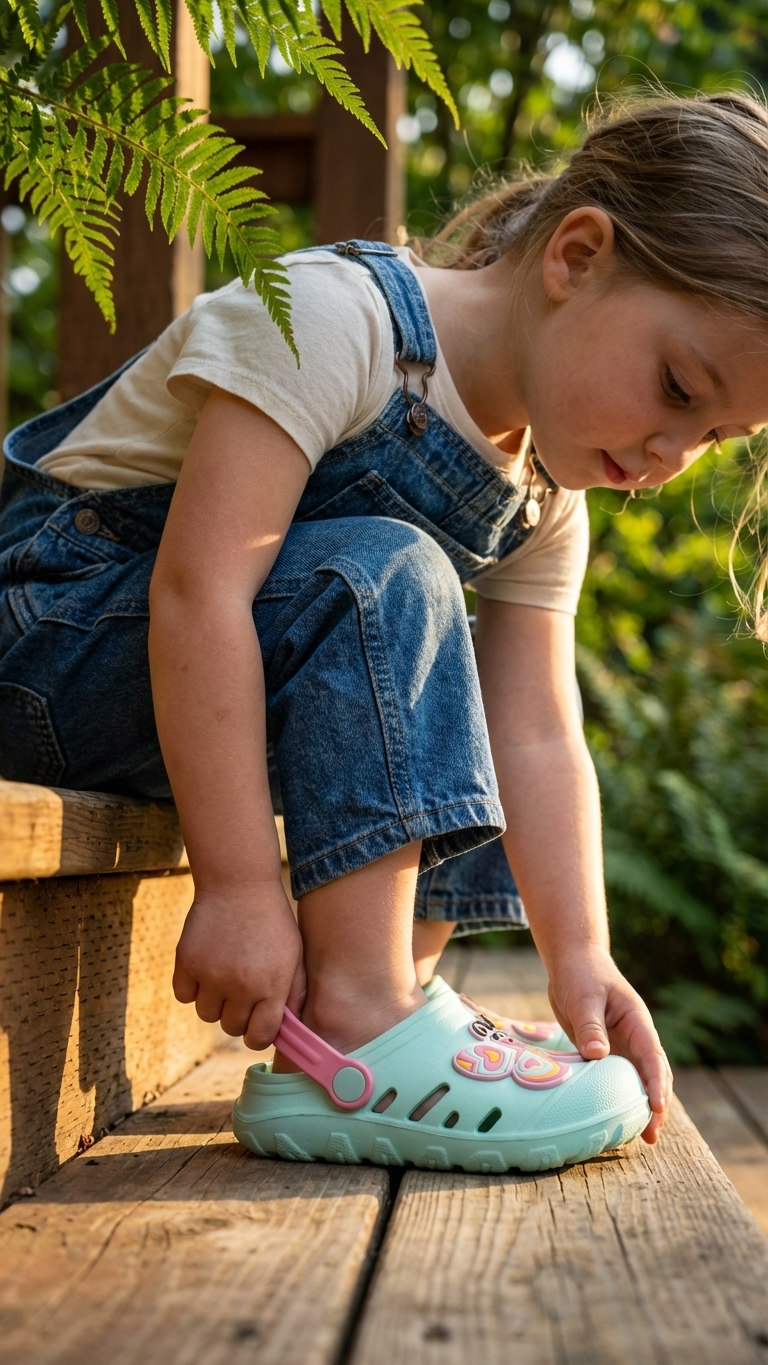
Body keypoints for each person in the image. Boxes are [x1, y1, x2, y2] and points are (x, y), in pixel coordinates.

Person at [1, 91, 765, 1171]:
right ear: (577, 254)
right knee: (390, 574)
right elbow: (199, 593)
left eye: (718, 435)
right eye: (679, 387)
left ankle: (374, 1011)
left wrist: (582, 958)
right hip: (47, 639)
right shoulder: (337, 319)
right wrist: (237, 885)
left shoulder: (543, 493)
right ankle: (366, 1012)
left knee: (462, 661)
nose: (674, 451)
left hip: (172, 687)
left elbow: (540, 735)